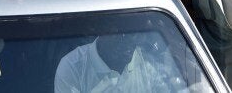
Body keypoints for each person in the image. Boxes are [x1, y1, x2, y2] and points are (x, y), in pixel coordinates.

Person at [55, 32, 184, 92]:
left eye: (135, 33)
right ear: (103, 29)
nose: (129, 41)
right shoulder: (73, 67)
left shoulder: (149, 62)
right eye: (121, 33)